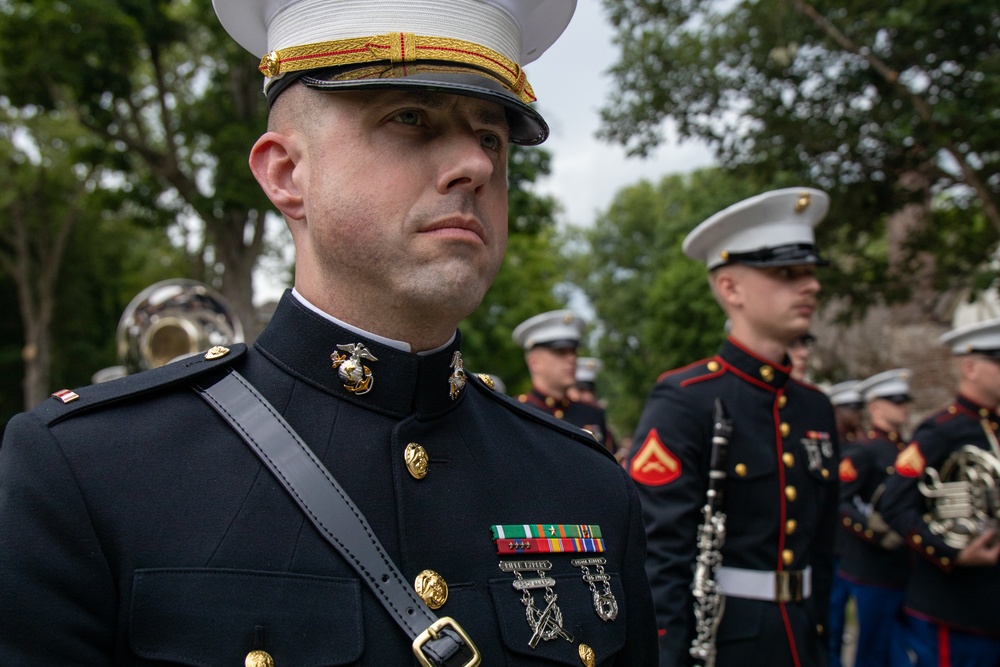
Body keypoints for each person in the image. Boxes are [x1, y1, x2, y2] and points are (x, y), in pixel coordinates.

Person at [0, 1, 658, 664]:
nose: (476, 165)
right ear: (288, 174)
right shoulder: (90, 475)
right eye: (411, 118)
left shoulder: (588, 486)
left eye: (490, 137)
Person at [628, 187, 839, 667]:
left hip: (804, 636)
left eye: (809, 273)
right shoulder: (686, 400)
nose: (811, 287)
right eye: (787, 273)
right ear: (730, 288)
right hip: (727, 642)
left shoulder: (815, 407)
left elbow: (823, 550)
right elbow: (660, 555)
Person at [879, 318, 1000, 667]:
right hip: (957, 607)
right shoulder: (940, 431)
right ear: (970, 367)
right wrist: (951, 553)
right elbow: (894, 505)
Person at [837, 369, 914, 667]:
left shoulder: (905, 449)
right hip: (873, 567)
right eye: (895, 401)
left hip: (904, 566)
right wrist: (871, 529)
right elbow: (841, 500)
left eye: (904, 401)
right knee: (872, 651)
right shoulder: (863, 451)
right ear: (875, 407)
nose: (903, 407)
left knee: (900, 652)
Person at [513, 310, 615, 453]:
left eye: (574, 351)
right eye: (561, 352)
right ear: (534, 362)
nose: (572, 359)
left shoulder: (592, 414)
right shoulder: (515, 412)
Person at [826, 379, 865, 667]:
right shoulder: (831, 445)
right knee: (833, 620)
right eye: (852, 408)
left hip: (855, 546)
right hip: (834, 544)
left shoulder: (860, 444)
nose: (857, 414)